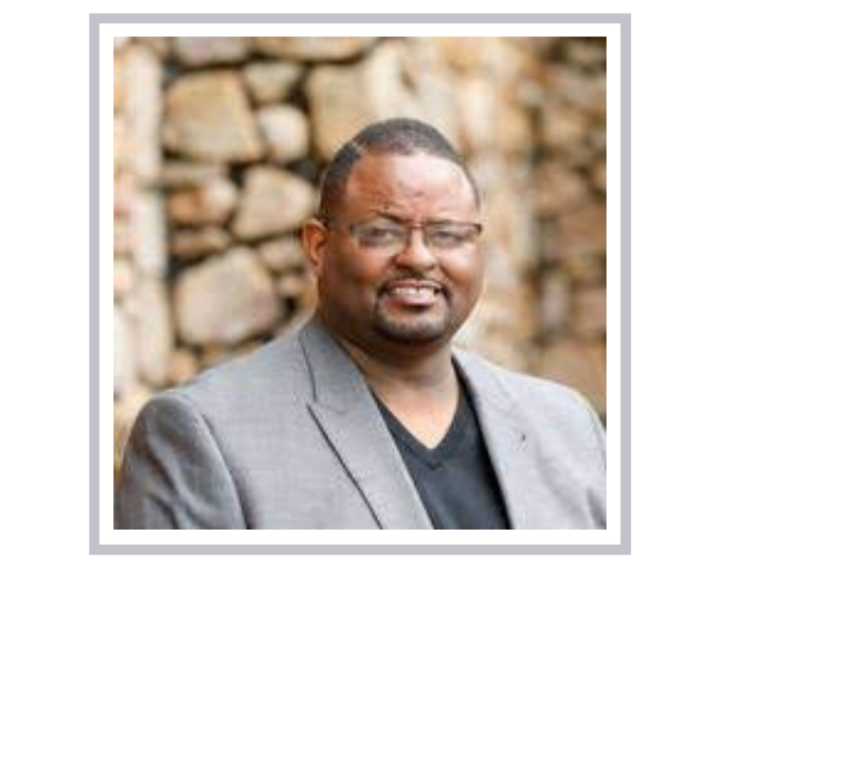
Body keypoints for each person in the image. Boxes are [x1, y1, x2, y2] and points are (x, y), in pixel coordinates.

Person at [115, 118, 606, 530]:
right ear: (317, 246)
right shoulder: (205, 434)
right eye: (381, 232)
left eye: (448, 233)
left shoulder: (567, 426)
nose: (418, 257)